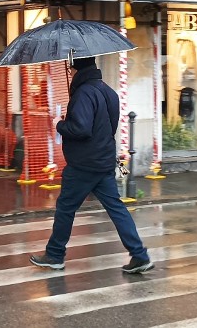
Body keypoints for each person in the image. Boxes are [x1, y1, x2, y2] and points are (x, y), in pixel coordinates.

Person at [29, 57, 154, 274]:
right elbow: (110, 126)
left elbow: (81, 129)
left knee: (66, 208)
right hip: (104, 160)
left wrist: (59, 124)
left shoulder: (84, 93)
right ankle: (139, 255)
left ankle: (55, 254)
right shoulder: (109, 92)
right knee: (117, 209)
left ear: (74, 67)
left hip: (83, 164)